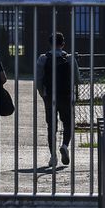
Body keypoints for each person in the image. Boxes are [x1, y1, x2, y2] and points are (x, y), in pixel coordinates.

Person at [35, 32, 75, 167]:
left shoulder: (43, 58)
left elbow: (38, 80)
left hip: (50, 96)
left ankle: (53, 156)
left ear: (50, 44)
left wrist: (43, 93)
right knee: (68, 123)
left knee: (51, 126)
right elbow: (77, 78)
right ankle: (64, 145)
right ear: (63, 44)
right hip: (66, 95)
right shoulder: (69, 58)